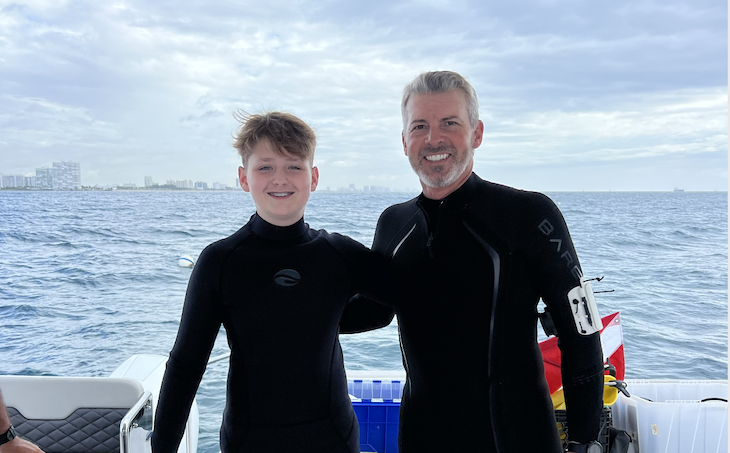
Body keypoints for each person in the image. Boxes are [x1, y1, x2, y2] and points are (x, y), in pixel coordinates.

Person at [355, 71, 605, 453]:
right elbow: (373, 312)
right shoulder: (394, 223)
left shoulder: (528, 215)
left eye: (449, 124)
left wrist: (586, 442)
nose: (433, 139)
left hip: (516, 440)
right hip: (422, 439)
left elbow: (581, 335)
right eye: (419, 126)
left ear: (477, 133)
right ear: (405, 141)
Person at [152, 111, 384, 453]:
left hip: (332, 439)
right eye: (265, 167)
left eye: (294, 166)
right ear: (244, 178)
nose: (280, 178)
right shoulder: (220, 261)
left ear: (314, 177)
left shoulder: (340, 255)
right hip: (248, 441)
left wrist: (322, 320)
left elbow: (383, 309)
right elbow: (186, 365)